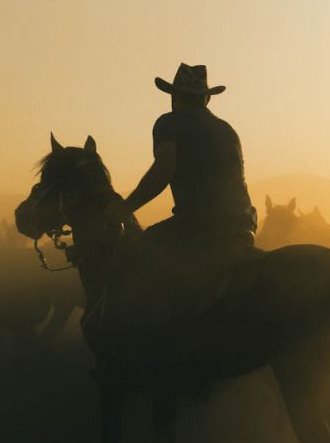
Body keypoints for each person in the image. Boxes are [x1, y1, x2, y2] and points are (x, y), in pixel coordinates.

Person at [109, 63, 257, 312]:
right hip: (245, 224)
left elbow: (163, 170)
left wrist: (125, 208)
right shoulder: (227, 130)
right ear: (207, 99)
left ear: (174, 96)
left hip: (201, 225)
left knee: (137, 257)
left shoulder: (169, 123)